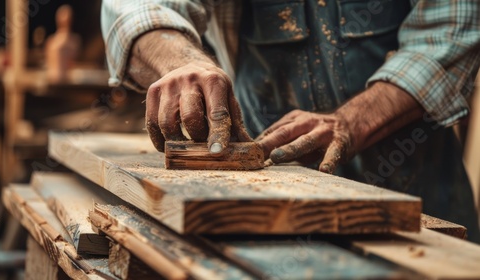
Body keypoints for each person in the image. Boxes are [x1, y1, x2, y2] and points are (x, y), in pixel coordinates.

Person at [101, 0, 480, 242]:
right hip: (264, 200)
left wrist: (352, 119)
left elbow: (452, 30)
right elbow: (135, 8)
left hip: (419, 196)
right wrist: (181, 60)